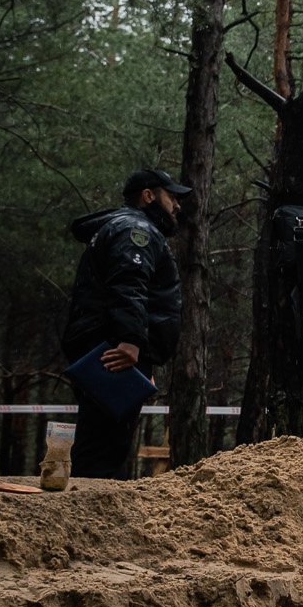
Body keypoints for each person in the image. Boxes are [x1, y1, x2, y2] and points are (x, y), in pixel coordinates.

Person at [61, 168, 187, 481]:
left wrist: (144, 359)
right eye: (171, 196)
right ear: (149, 196)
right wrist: (131, 342)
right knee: (103, 446)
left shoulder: (125, 228)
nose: (177, 205)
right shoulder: (135, 229)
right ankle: (89, 517)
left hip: (112, 348)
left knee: (106, 439)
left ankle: (91, 510)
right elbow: (129, 284)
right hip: (113, 348)